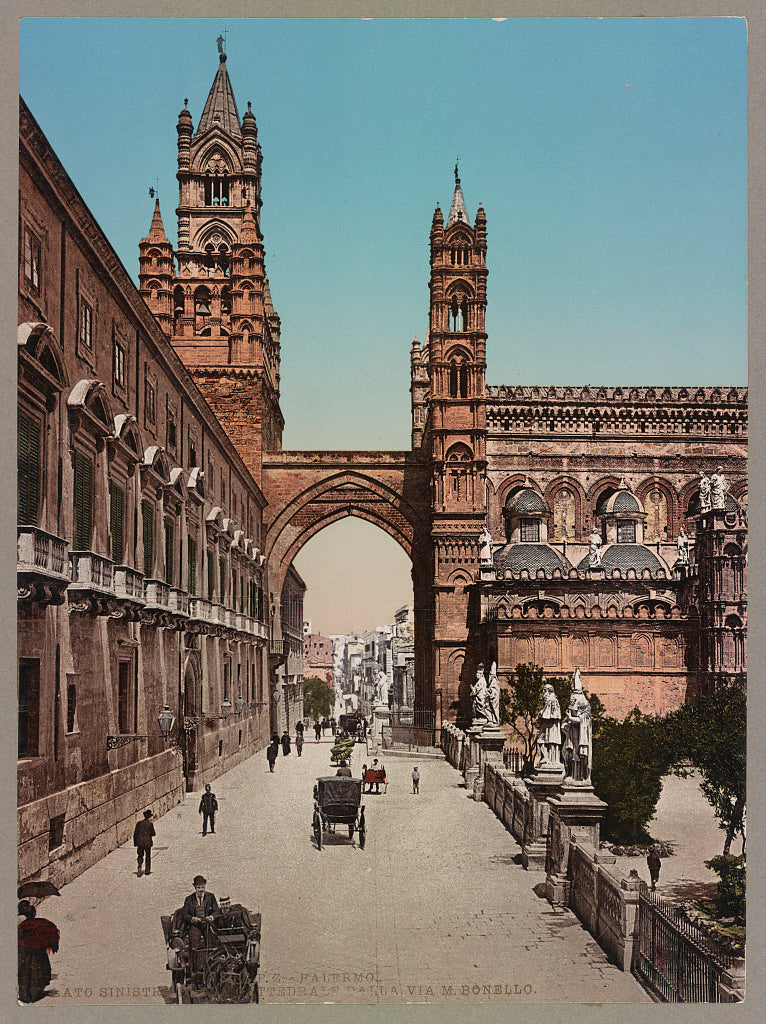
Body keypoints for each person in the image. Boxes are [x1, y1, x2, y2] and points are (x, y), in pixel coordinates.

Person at [18, 900, 59, 1003]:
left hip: (24, 953)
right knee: (39, 974)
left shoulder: (21, 925)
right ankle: (35, 994)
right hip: (39, 953)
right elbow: (53, 932)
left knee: (25, 974)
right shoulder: (43, 923)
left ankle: (24, 996)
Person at [182, 875, 219, 980]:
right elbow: (185, 914)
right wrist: (192, 918)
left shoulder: (211, 897)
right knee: (194, 945)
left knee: (211, 943)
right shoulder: (189, 899)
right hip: (195, 925)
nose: (201, 890)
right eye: (198, 888)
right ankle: (196, 968)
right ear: (194, 888)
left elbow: (217, 910)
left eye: (202, 887)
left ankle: (211, 966)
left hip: (207, 923)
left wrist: (211, 917)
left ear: (205, 886)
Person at [537, 684, 562, 766]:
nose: (543, 692)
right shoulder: (553, 699)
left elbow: (547, 714)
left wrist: (541, 713)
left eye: (544, 690)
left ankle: (546, 758)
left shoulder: (550, 699)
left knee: (541, 740)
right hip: (551, 725)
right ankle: (548, 758)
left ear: (548, 690)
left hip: (549, 726)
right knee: (547, 741)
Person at [133, 808, 155, 876]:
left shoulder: (139, 823)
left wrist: (135, 843)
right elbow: (153, 833)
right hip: (147, 842)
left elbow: (135, 834)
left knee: (140, 855)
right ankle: (147, 870)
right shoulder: (150, 824)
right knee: (148, 856)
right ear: (149, 817)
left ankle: (139, 867)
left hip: (140, 842)